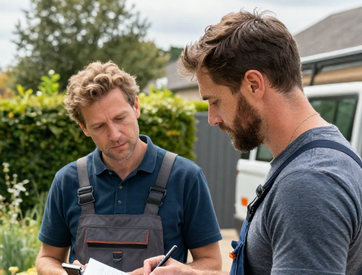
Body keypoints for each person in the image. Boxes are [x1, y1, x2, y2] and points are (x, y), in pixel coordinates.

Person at [143, 10, 362, 275]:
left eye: (214, 101)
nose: (212, 118)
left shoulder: (308, 183)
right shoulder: (324, 155)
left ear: (254, 85)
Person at [35, 61, 224, 275]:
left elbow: (212, 263)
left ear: (136, 107)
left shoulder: (185, 177)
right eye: (99, 126)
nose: (114, 135)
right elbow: (47, 257)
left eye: (120, 118)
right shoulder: (67, 181)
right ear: (84, 128)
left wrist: (182, 273)